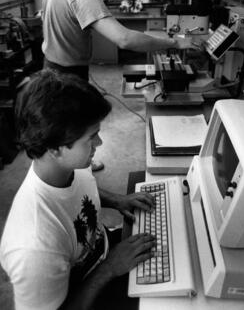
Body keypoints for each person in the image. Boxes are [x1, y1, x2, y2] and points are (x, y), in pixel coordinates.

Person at [0, 69, 156, 310]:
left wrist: (118, 200)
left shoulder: (69, 165)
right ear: (55, 148)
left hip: (102, 254)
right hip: (89, 293)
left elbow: (79, 189)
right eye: (91, 138)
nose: (99, 144)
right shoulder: (34, 247)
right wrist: (110, 268)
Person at [41, 0, 181, 171]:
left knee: (64, 128)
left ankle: (78, 165)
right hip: (68, 74)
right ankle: (79, 172)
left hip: (50, 66)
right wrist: (173, 43)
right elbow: (125, 39)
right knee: (75, 131)